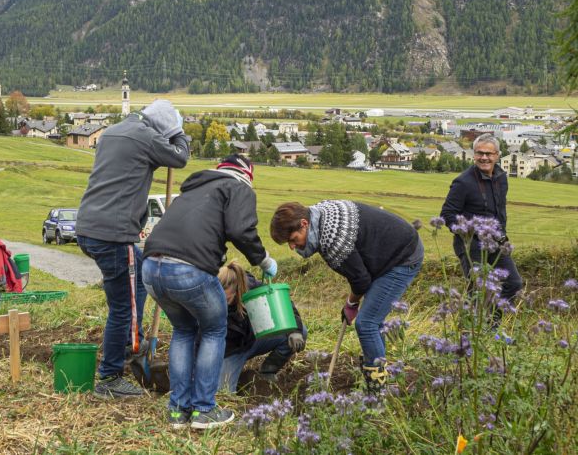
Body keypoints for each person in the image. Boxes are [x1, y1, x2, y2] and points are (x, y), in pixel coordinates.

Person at [143, 154, 277, 430]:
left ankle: (178, 411)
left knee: (183, 331)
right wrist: (264, 260)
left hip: (152, 268)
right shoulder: (238, 187)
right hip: (188, 270)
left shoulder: (192, 190)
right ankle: (204, 410)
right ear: (247, 175)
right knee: (215, 330)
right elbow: (241, 229)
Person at [76, 99, 190, 399]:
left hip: (88, 227)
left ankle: (130, 341)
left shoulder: (112, 132)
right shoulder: (147, 137)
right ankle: (110, 377)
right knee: (122, 306)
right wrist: (178, 132)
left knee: (138, 273)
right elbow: (181, 158)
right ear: (162, 126)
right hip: (113, 235)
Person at [270, 200, 423, 393]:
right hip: (385, 253)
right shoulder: (317, 214)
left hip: (402, 257)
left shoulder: (332, 240)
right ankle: (376, 371)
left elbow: (361, 281)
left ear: (304, 224)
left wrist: (351, 303)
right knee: (372, 321)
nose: (292, 247)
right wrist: (353, 302)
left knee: (366, 323)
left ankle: (378, 391)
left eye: (293, 239)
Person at [440, 134, 522, 309]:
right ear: (474, 155)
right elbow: (447, 215)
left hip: (497, 243)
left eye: (489, 154)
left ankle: (491, 327)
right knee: (478, 291)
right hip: (472, 246)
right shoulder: (463, 182)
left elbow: (499, 211)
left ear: (497, 155)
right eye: (479, 153)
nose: (484, 157)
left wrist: (502, 235)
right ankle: (473, 332)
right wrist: (471, 231)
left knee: (513, 284)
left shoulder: (501, 178)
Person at [217, 261, 306, 393]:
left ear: (235, 288)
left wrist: (296, 331)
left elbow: (282, 303)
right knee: (223, 393)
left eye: (224, 295)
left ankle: (267, 371)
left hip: (253, 340)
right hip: (229, 352)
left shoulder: (250, 286)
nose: (220, 299)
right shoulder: (209, 298)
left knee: (298, 331)